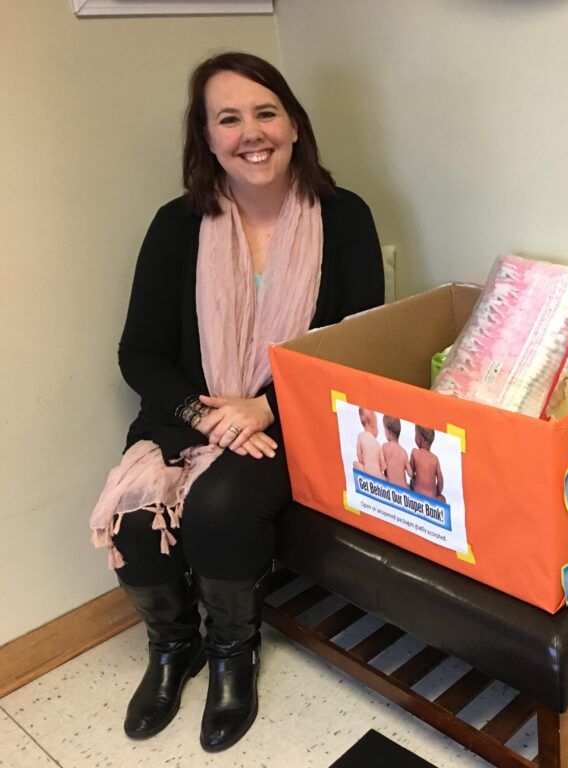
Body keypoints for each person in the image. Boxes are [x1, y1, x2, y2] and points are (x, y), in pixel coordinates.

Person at [89, 52, 384, 752]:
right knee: (132, 517)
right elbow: (141, 354)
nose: (251, 133)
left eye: (265, 112)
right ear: (207, 138)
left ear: (293, 124)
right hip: (190, 409)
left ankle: (232, 654)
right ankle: (174, 646)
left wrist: (266, 406)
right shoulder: (176, 225)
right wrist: (208, 414)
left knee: (221, 507)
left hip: (298, 410)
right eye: (229, 119)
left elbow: (356, 348)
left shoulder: (345, 219)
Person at [409, 426, 444, 501]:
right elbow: (440, 481)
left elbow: (410, 473)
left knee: (408, 486)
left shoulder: (415, 452)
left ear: (419, 439)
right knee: (442, 499)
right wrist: (438, 493)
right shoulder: (435, 458)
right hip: (432, 497)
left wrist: (413, 480)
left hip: (417, 494)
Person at [353, 407, 384, 479]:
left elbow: (359, 456)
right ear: (373, 426)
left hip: (366, 472)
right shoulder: (378, 443)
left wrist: (363, 463)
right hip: (378, 476)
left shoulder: (360, 436)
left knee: (355, 464)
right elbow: (382, 466)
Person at [380, 415, 411, 487]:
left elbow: (382, 467)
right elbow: (410, 473)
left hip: (391, 487)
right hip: (403, 488)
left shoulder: (385, 446)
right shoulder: (404, 452)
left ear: (387, 432)